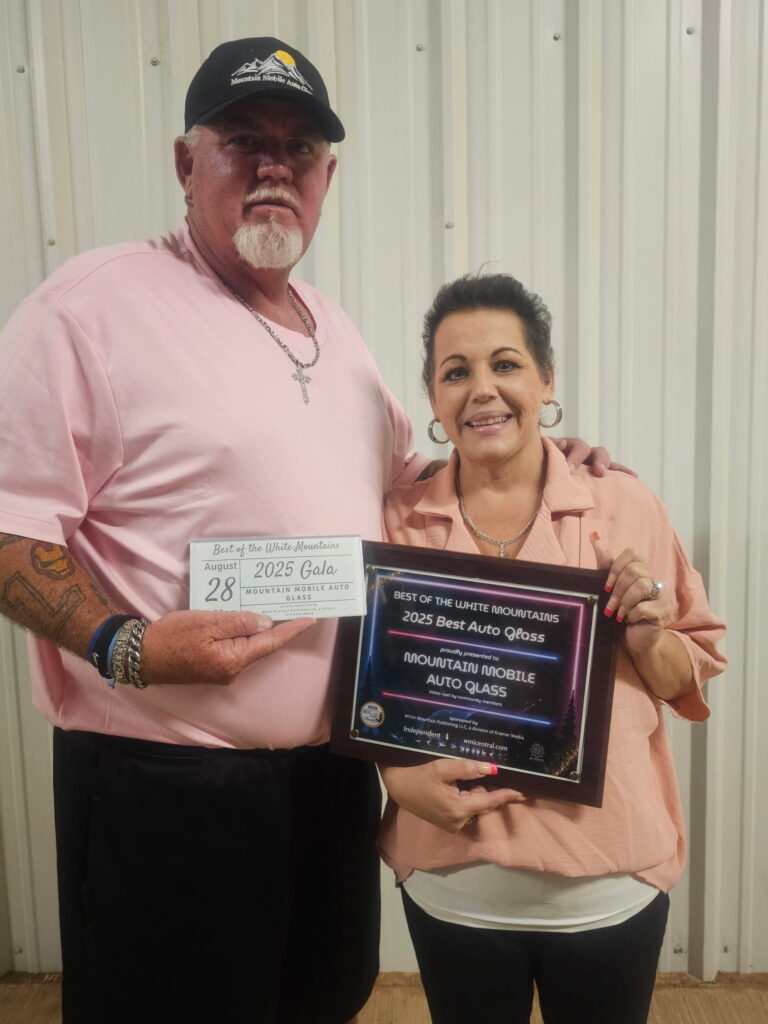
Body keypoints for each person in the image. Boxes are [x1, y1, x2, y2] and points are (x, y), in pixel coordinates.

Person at [0, 38, 615, 1024]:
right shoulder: (88, 310)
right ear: (186, 162)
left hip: (332, 769)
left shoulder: (335, 330)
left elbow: (399, 488)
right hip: (170, 778)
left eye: (300, 148)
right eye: (244, 140)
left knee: (320, 997)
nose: (274, 166)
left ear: (328, 177)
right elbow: (10, 529)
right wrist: (126, 644)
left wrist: (525, 456)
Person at [378, 272, 727, 1024]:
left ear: (546, 379)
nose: (482, 388)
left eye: (505, 364)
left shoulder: (624, 503)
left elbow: (686, 676)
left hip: (609, 886)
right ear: (432, 398)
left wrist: (649, 637)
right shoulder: (394, 521)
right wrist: (394, 774)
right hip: (453, 886)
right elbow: (360, 690)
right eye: (455, 372)